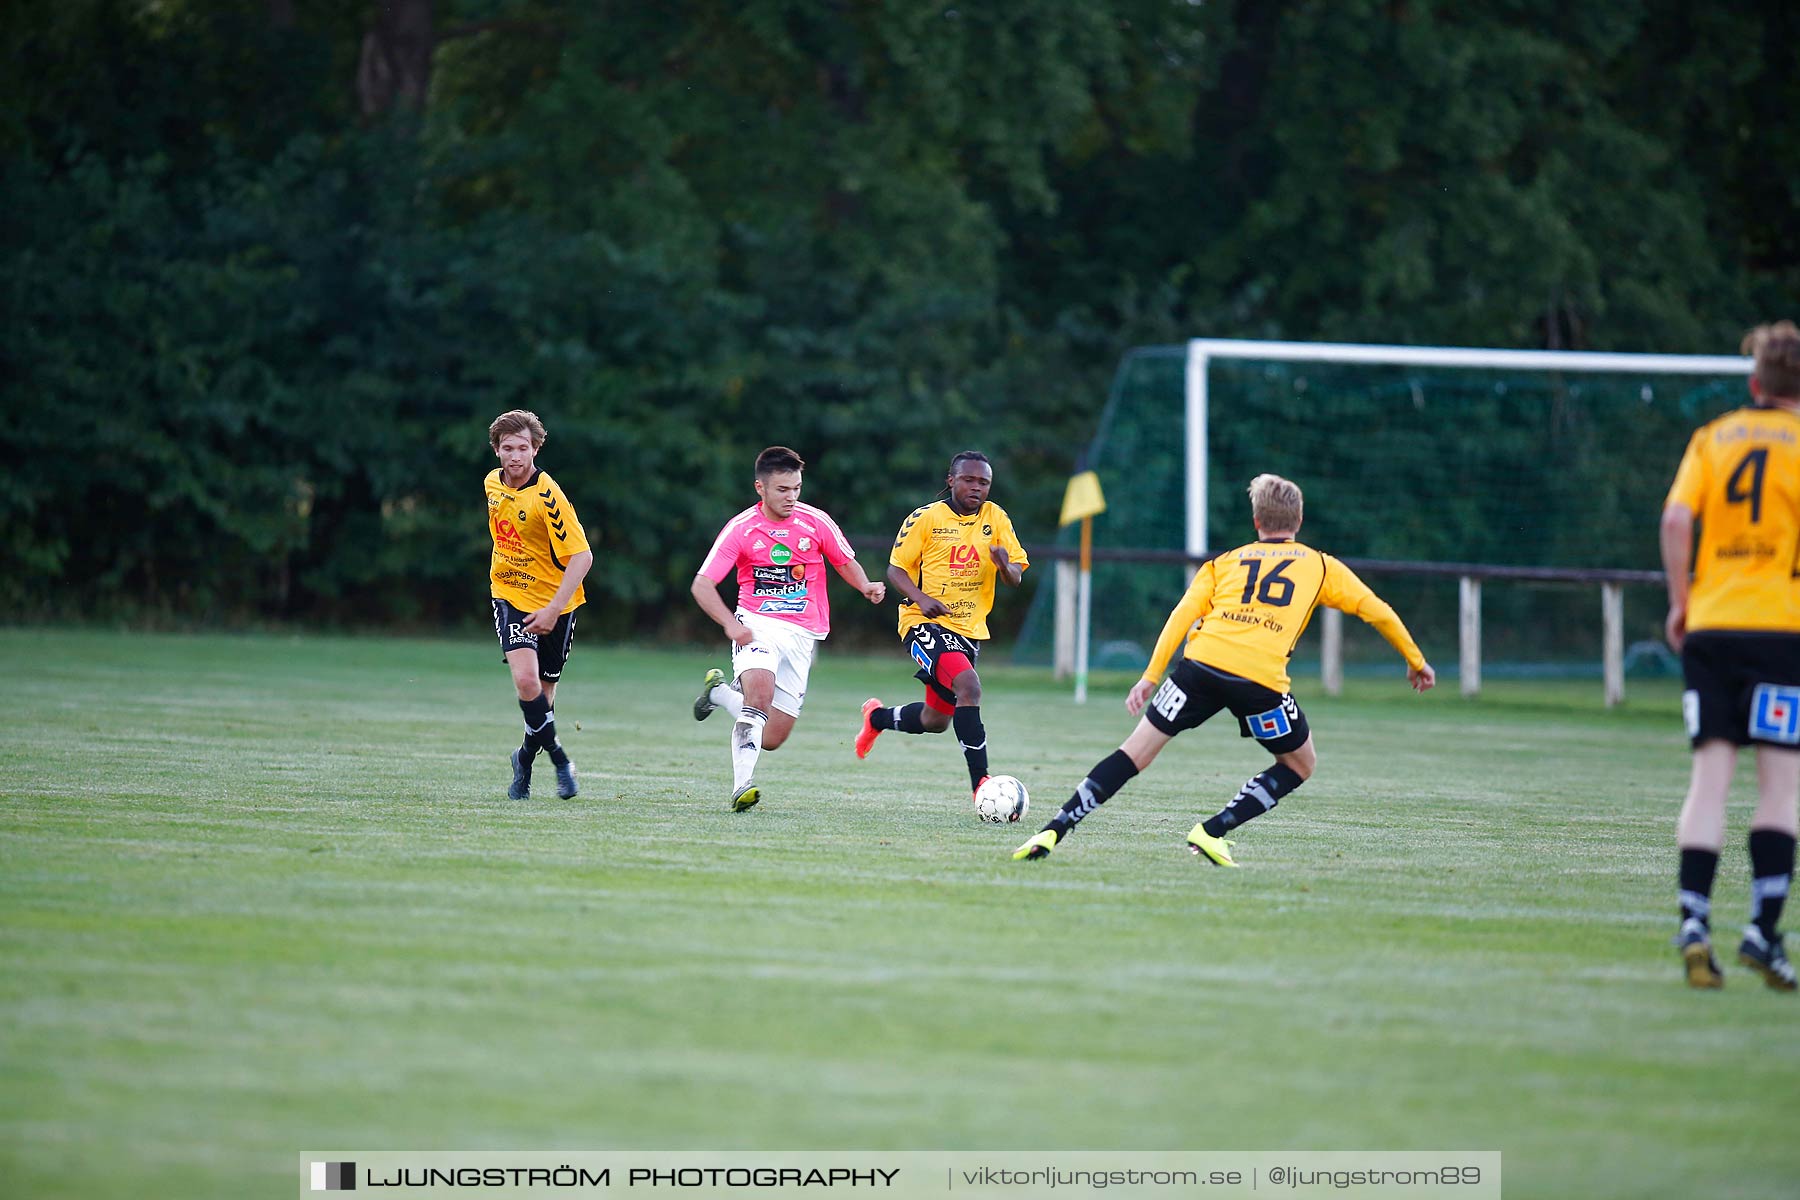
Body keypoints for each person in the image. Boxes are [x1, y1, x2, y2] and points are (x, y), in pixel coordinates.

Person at [1014, 473, 1434, 863]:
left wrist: (1151, 675)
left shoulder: (1224, 563)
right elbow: (1378, 612)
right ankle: (1212, 831)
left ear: (1255, 521)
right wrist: (1415, 661)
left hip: (1198, 668)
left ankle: (1054, 829)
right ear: (1299, 520)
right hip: (1259, 683)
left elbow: (1182, 615)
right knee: (1299, 765)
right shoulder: (1321, 565)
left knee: (1133, 753)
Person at [1661, 319, 1800, 992]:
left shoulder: (1713, 437)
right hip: (1783, 634)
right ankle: (1761, 932)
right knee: (1779, 787)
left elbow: (1675, 520)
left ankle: (1693, 922)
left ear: (1755, 383)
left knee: (1709, 780)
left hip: (1713, 628)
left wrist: (1681, 602)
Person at [691, 446, 886, 811]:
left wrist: (865, 586)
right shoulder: (742, 529)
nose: (792, 497)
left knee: (773, 737)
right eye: (783, 490)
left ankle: (719, 693)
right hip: (756, 625)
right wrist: (730, 624)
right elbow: (702, 585)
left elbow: (844, 560)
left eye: (796, 488)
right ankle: (741, 786)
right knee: (759, 698)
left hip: (802, 634)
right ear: (760, 488)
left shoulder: (815, 521)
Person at [853, 451, 1029, 806]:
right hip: (923, 623)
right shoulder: (926, 518)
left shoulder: (996, 518)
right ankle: (982, 784)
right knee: (969, 687)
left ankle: (877, 717)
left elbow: (1016, 577)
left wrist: (1004, 566)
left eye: (983, 482)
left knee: (936, 720)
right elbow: (895, 570)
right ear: (951, 480)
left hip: (969, 630)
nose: (976, 488)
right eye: (969, 480)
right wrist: (920, 598)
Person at [486, 410, 593, 801]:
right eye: (509, 448)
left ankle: (524, 759)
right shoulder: (491, 484)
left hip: (558, 602)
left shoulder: (549, 495)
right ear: (497, 450)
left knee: (543, 697)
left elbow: (582, 558)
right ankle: (561, 760)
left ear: (536, 448)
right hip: (510, 594)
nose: (516, 456)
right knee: (526, 681)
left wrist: (552, 610)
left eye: (524, 448)